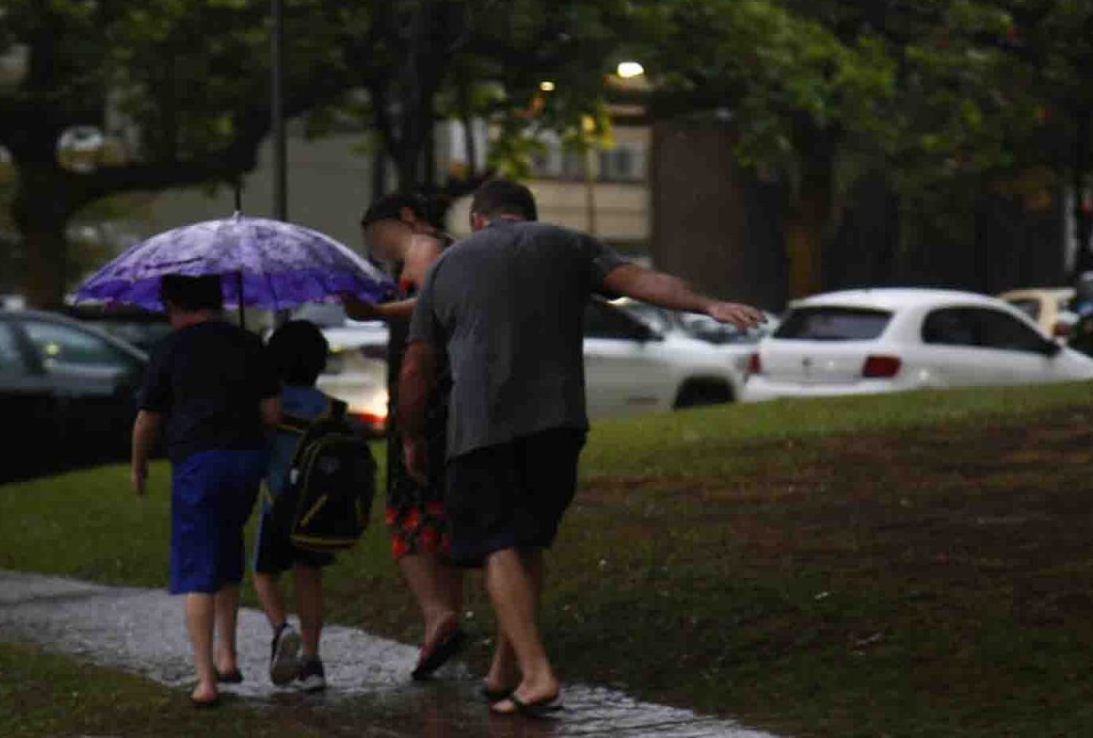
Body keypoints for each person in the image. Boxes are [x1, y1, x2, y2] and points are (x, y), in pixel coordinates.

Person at [400, 180, 765, 717]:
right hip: (558, 422)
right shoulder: (566, 243)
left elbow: (416, 365)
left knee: (498, 545)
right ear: (526, 215)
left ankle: (538, 673)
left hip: (482, 426)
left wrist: (410, 435)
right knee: (527, 542)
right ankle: (506, 671)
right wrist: (708, 303)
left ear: (478, 219)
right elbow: (640, 280)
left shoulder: (449, 265)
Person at [131, 274, 283, 708]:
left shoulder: (171, 348)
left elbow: (148, 419)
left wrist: (139, 467)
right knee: (227, 551)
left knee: (198, 564)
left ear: (175, 306)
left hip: (199, 463)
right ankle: (228, 656)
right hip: (245, 461)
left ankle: (205, 681)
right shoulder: (249, 343)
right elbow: (272, 412)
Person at [342, 192, 468, 680]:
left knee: (407, 512)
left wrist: (375, 315)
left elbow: (429, 309)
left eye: (381, 235)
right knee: (439, 511)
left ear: (409, 219)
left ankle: (438, 614)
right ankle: (444, 619)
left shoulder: (425, 246)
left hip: (426, 395)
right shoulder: (449, 250)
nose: (380, 247)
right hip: (449, 394)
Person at [250, 320, 340, 693]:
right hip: (315, 511)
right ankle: (313, 661)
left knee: (263, 574)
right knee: (309, 578)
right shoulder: (329, 409)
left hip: (277, 506)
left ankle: (280, 629)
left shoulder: (270, 406)